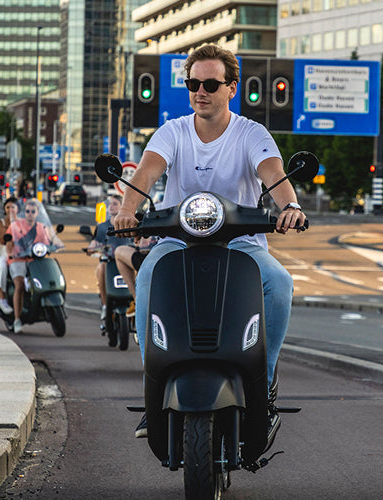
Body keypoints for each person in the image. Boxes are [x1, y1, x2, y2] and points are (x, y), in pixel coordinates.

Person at [112, 44, 306, 438]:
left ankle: (264, 383)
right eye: (193, 84)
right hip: (177, 242)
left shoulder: (252, 133)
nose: (200, 91)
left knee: (279, 283)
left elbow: (272, 173)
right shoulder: (173, 131)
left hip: (242, 243)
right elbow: (146, 173)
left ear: (231, 88)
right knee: (148, 276)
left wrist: (290, 206)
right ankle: (153, 389)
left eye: (211, 84)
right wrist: (128, 210)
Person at [6, 199, 61, 333]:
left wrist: (54, 246)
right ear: (24, 213)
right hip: (18, 260)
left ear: (37, 213)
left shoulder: (41, 227)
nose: (30, 214)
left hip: (34, 260)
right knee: (19, 284)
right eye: (27, 211)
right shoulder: (15, 226)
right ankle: (17, 319)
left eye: (33, 211)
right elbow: (8, 241)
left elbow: (47, 242)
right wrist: (11, 251)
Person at [86, 195, 141, 325]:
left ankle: (137, 301)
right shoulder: (102, 227)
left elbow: (138, 241)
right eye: (110, 204)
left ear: (122, 206)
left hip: (125, 261)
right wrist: (92, 248)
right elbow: (93, 244)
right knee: (101, 268)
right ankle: (105, 305)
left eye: (115, 204)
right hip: (108, 262)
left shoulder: (130, 224)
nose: (111, 206)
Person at [0, 197, 20, 314]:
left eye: (13, 207)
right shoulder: (1, 223)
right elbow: (2, 239)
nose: (10, 210)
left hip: (21, 253)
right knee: (2, 266)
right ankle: (2, 298)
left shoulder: (23, 222)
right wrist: (11, 226)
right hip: (6, 253)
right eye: (8, 207)